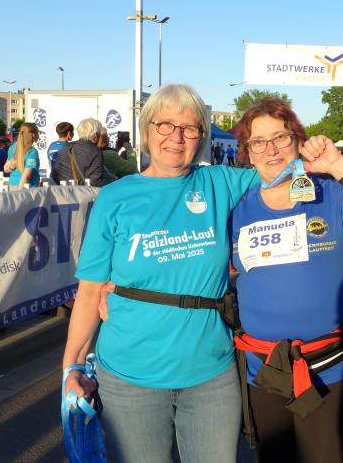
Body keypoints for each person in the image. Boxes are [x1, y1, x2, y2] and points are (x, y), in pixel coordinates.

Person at [61, 84, 264, 463]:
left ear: (202, 137)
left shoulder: (220, 182)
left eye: (190, 128)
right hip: (128, 378)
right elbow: (89, 292)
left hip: (211, 375)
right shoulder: (115, 198)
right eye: (165, 125)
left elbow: (284, 173)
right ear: (147, 130)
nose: (177, 136)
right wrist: (72, 365)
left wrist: (326, 158)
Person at [229, 97, 343, 463]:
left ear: (297, 140)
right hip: (263, 371)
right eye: (258, 142)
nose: (271, 150)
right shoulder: (237, 207)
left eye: (280, 137)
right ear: (247, 152)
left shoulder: (328, 192)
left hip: (325, 369)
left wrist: (338, 166)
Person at [51, 118, 113, 187]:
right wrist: (114, 181)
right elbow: (95, 182)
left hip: (63, 191)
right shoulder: (94, 151)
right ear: (95, 135)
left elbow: (54, 175)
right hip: (82, 192)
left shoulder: (66, 147)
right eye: (99, 134)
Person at [3, 122, 40, 189]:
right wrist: (20, 192)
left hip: (12, 184)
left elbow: (6, 169)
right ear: (33, 135)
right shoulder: (32, 152)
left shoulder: (13, 147)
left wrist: (11, 166)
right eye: (38, 132)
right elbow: (26, 177)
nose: (38, 135)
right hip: (27, 188)